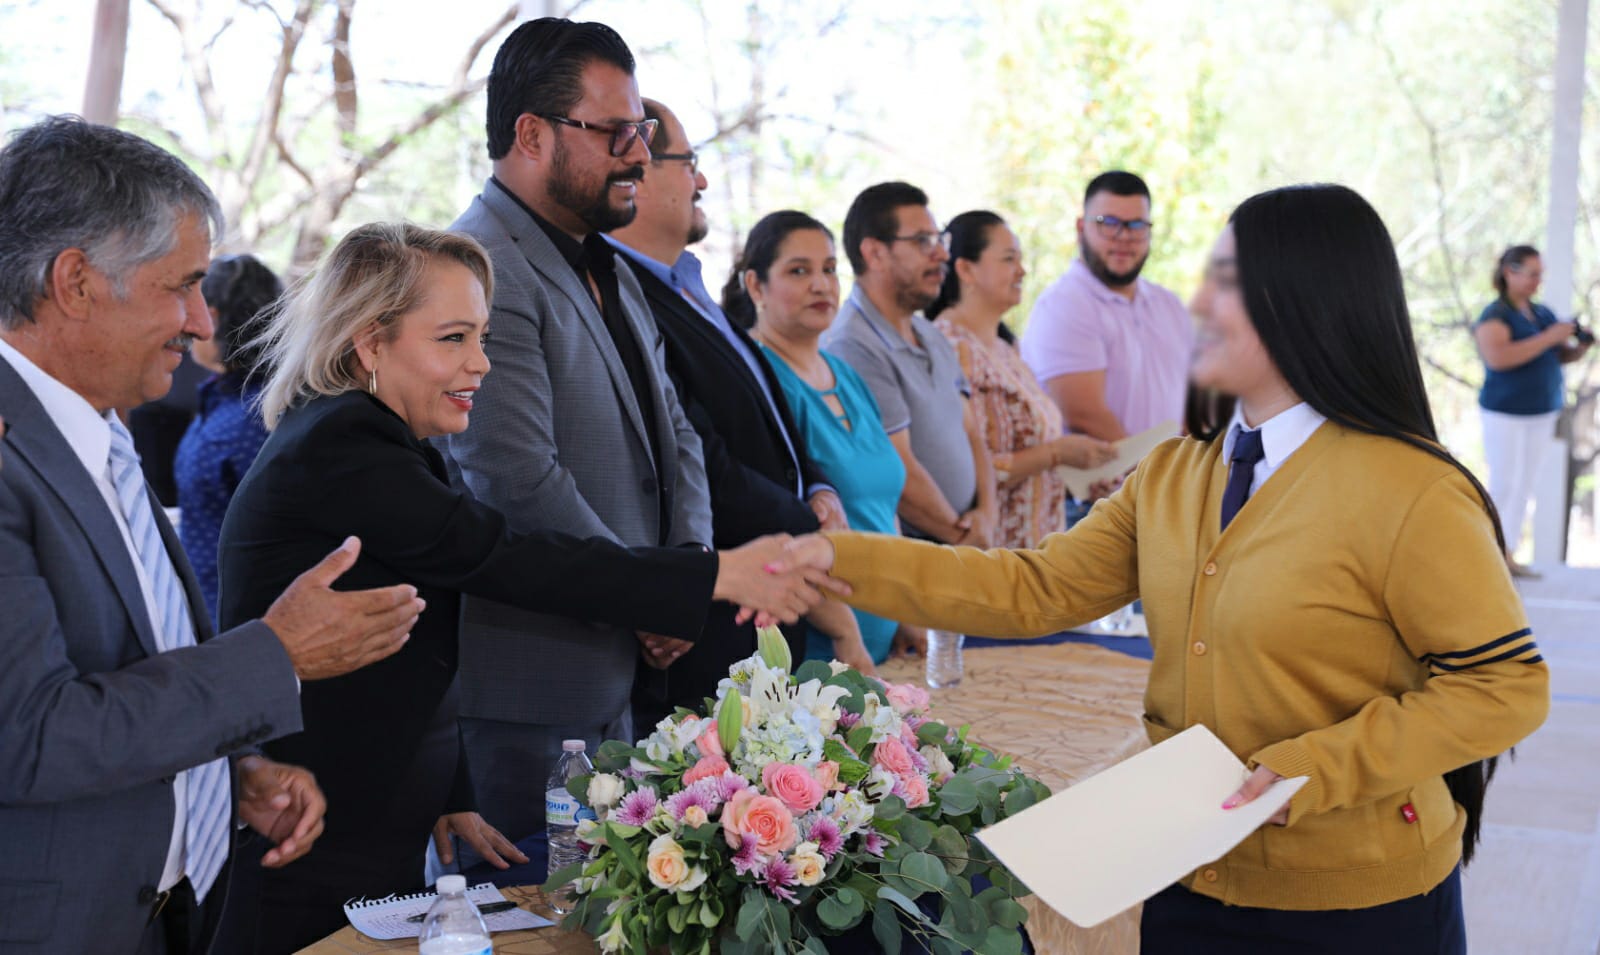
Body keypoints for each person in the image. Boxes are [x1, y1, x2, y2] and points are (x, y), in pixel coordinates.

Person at [781, 184, 1550, 954]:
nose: (1197, 303)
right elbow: (1031, 587)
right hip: (1191, 884)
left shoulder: (1413, 490)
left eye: (1226, 281)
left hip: (1357, 908)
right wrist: (838, 555)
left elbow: (1505, 685)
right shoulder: (1175, 473)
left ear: (1307, 299)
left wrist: (1318, 766)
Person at [216, 222, 829, 952]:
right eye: (453, 338)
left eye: (481, 337)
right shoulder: (342, 443)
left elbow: (422, 644)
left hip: (365, 810)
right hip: (307, 819)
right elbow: (504, 557)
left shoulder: (378, 437)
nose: (480, 362)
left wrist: (448, 794)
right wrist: (716, 573)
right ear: (370, 343)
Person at [0, 115, 424, 955]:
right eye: (181, 286)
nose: (201, 320)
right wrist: (277, 654)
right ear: (75, 282)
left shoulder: (101, 434)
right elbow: (33, 735)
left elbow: (135, 661)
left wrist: (230, 769)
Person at [443, 18, 719, 855]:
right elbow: (517, 478)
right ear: (532, 134)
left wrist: (681, 572)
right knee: (535, 909)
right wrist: (650, 594)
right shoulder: (479, 266)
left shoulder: (608, 264)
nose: (639, 156)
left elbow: (678, 434)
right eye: (616, 133)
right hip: (533, 688)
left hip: (621, 672)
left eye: (642, 132)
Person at [604, 98, 872, 724]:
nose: (701, 180)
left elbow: (770, 420)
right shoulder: (625, 294)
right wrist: (805, 528)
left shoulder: (686, 286)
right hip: (715, 622)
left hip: (768, 617)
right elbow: (698, 457)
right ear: (639, 173)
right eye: (689, 162)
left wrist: (817, 486)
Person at [725, 210, 918, 666]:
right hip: (813, 653)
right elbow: (778, 529)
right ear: (756, 286)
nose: (821, 284)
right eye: (799, 271)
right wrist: (844, 633)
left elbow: (883, 508)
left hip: (878, 646)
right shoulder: (756, 379)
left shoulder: (847, 376)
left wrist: (905, 609)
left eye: (829, 269)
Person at [822, 181, 997, 547]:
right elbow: (896, 471)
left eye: (939, 239)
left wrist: (987, 515)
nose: (941, 254)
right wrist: (964, 538)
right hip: (920, 554)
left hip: (966, 547)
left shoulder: (930, 333)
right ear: (875, 253)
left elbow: (972, 432)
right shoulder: (852, 345)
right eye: (922, 241)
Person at [927, 210, 1116, 547]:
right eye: (1008, 259)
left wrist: (1077, 473)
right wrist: (1057, 454)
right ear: (966, 270)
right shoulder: (951, 348)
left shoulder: (1006, 348)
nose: (1022, 270)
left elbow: (1026, 454)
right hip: (992, 555)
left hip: (1039, 550)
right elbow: (965, 468)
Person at [1019, 171, 1192, 442]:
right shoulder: (1063, 306)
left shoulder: (1169, 305)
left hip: (1168, 466)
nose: (1124, 237)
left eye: (1137, 225)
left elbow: (1192, 399)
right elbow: (1085, 416)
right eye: (1108, 223)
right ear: (1080, 228)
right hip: (1114, 471)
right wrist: (1153, 468)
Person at [174, 253, 282, 621]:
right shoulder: (224, 398)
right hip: (209, 608)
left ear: (214, 316)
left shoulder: (258, 416)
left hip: (242, 618)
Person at [1473, 244, 1591, 577]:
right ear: (1509, 273)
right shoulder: (1495, 316)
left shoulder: (1541, 314)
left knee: (1524, 485)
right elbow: (1498, 358)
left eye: (1541, 274)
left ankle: (1508, 553)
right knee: (1504, 484)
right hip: (1505, 414)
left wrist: (1579, 345)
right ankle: (1487, 555)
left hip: (1541, 412)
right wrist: (1549, 337)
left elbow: (1558, 355)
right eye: (1532, 274)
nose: (1538, 281)